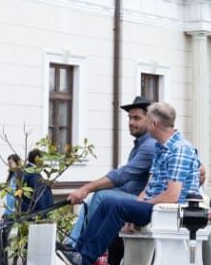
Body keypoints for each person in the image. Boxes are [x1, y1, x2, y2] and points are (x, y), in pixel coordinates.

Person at [62, 102, 200, 265]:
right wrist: (135, 209)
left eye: (146, 120)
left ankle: (85, 258)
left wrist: (139, 207)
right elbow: (149, 188)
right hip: (157, 207)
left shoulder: (179, 149)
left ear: (154, 124)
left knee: (118, 206)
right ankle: (78, 253)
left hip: (173, 212)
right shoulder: (159, 147)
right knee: (107, 202)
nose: (143, 124)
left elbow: (172, 195)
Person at [64, 96, 157, 251]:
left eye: (136, 118)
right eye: (129, 118)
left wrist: (86, 188)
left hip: (144, 205)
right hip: (132, 198)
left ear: (150, 120)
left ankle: (84, 249)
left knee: (101, 196)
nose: (131, 123)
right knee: (94, 197)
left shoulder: (150, 146)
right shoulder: (141, 144)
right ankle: (73, 243)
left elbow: (122, 176)